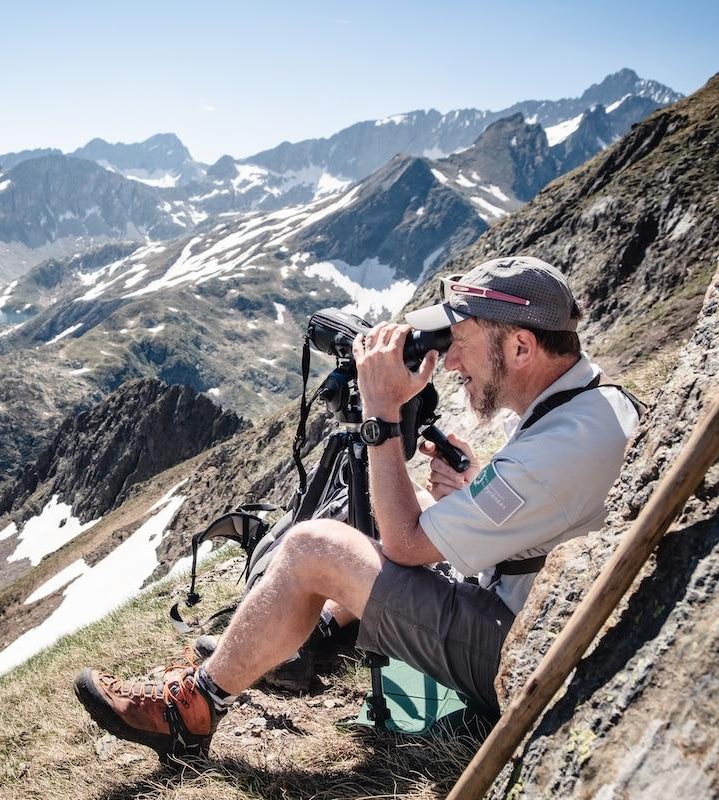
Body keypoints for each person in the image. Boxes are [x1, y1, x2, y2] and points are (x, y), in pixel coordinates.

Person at [74, 256, 642, 760]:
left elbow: (405, 544)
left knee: (313, 546)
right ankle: (309, 634)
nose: (450, 362)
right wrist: (473, 486)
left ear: (520, 346)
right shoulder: (591, 404)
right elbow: (541, 510)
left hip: (522, 652)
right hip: (539, 609)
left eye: (462, 341)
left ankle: (192, 711)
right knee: (403, 504)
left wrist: (381, 414)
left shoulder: (559, 447)